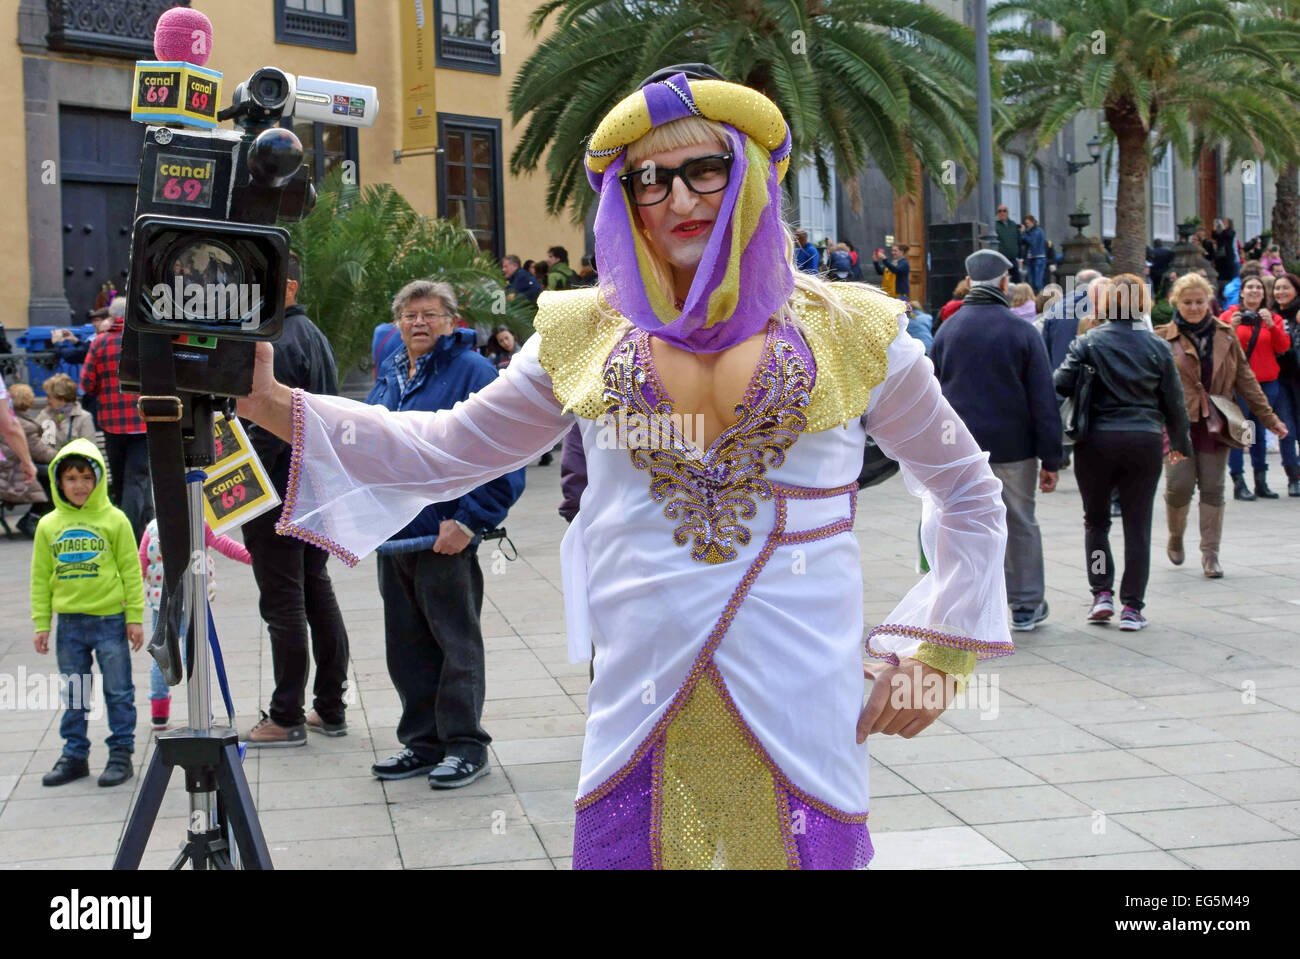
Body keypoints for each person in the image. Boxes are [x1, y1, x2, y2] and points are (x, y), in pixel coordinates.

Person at [238, 65, 1012, 869]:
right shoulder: (580, 333)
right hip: (637, 705)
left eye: (705, 169)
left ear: (751, 174)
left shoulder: (854, 329)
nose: (679, 201)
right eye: (650, 179)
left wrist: (940, 658)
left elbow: (967, 491)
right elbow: (445, 449)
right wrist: (272, 404)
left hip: (805, 714)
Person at [366, 280, 525, 787]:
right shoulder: (391, 370)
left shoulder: (472, 371)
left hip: (446, 532)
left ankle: (464, 744)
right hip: (395, 532)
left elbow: (504, 450)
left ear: (452, 321)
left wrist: (471, 519)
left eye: (430, 314)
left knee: (455, 643)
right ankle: (422, 742)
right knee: (407, 646)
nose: (418, 323)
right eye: (409, 315)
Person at [240, 252, 351, 746]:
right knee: (314, 592)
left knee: (284, 603)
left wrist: (240, 486)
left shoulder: (275, 342)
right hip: (313, 488)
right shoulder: (311, 334)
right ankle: (329, 707)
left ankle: (285, 716)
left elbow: (269, 428)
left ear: (287, 288)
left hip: (279, 492)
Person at [931, 248, 1062, 631]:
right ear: (1005, 282)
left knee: (965, 525)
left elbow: (931, 394)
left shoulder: (948, 330)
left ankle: (967, 607)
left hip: (960, 450)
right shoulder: (1022, 331)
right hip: (1014, 449)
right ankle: (1025, 605)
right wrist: (1051, 458)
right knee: (1020, 522)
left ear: (969, 283)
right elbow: (1043, 397)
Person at [1054, 274, 1191, 630]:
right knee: (1137, 524)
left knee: (1096, 521)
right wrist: (1179, 444)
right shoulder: (1158, 347)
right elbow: (1174, 402)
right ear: (1142, 304)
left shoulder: (1088, 341)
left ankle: (1102, 593)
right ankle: (1132, 606)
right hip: (1144, 440)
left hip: (1097, 440)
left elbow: (1060, 383)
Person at [30, 439, 145, 787]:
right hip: (69, 625)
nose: (79, 485)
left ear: (97, 478)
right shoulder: (48, 525)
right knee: (75, 693)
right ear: (58, 482)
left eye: (85, 477)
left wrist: (134, 617)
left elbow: (130, 569)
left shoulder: (115, 519)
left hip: (110, 620)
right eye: (70, 479)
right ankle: (75, 754)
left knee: (118, 691)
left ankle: (121, 753)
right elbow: (39, 578)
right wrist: (41, 624)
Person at [1158, 273, 1286, 578]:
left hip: (1217, 422)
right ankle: (1176, 536)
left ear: (1210, 302)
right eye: (1187, 302)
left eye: (1200, 302)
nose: (1194, 307)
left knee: (1213, 488)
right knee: (1178, 488)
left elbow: (1247, 381)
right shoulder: (1163, 338)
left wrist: (1271, 420)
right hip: (1178, 424)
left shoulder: (1226, 334)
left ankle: (1210, 554)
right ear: (1176, 301)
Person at [139, 516, 251, 729]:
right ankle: (203, 711)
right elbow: (225, 545)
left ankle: (159, 713)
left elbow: (141, 561)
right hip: (193, 602)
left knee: (161, 655)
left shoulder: (153, 527)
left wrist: (133, 594)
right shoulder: (200, 522)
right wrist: (252, 557)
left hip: (162, 604)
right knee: (193, 655)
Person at [79, 296, 153, 542]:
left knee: (122, 479)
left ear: (112, 315)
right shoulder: (145, 339)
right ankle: (135, 532)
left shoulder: (100, 342)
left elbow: (87, 383)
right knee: (138, 478)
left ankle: (128, 530)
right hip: (144, 419)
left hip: (112, 423)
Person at [1223, 274, 1294, 500]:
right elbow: (1218, 349)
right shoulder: (1227, 315)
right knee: (1241, 433)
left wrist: (1272, 326)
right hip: (1239, 384)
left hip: (1267, 383)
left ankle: (1260, 481)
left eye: (1259, 288)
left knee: (1259, 433)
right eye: (1250, 287)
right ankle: (1238, 481)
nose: (1254, 291)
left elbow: (1283, 347)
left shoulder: (1272, 318)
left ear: (1264, 293)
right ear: (1242, 292)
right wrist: (1229, 328)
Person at [1, 383, 56, 536]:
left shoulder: (6, 419)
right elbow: (41, 453)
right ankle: (33, 518)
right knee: (53, 476)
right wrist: (62, 455)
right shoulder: (23, 425)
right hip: (13, 477)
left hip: (7, 473)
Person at [1271, 272, 1300, 495]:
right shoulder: (1270, 317)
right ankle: (1293, 476)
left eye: (1285, 287)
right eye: (1277, 288)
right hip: (1279, 380)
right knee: (1286, 429)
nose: (1280, 292)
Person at [1041, 269, 1103, 372]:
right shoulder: (1101, 309)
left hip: (1058, 376)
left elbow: (1044, 350)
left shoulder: (1055, 309)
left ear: (1075, 285)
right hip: (1089, 379)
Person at [993, 205, 1023, 283]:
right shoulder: (995, 226)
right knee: (1002, 281)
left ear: (1007, 212)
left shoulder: (1013, 225)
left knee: (1017, 282)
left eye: (1004, 210)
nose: (1002, 213)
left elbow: (1019, 241)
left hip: (1013, 259)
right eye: (999, 211)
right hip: (1001, 260)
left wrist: (1020, 258)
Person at [1020, 215, 1048, 291]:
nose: (1027, 225)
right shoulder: (1029, 232)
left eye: (1028, 223)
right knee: (1031, 283)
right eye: (1026, 223)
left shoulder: (1038, 231)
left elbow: (1032, 241)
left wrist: (1024, 233)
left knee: (1037, 283)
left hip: (1038, 258)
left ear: (1033, 222)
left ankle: (1042, 299)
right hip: (1030, 258)